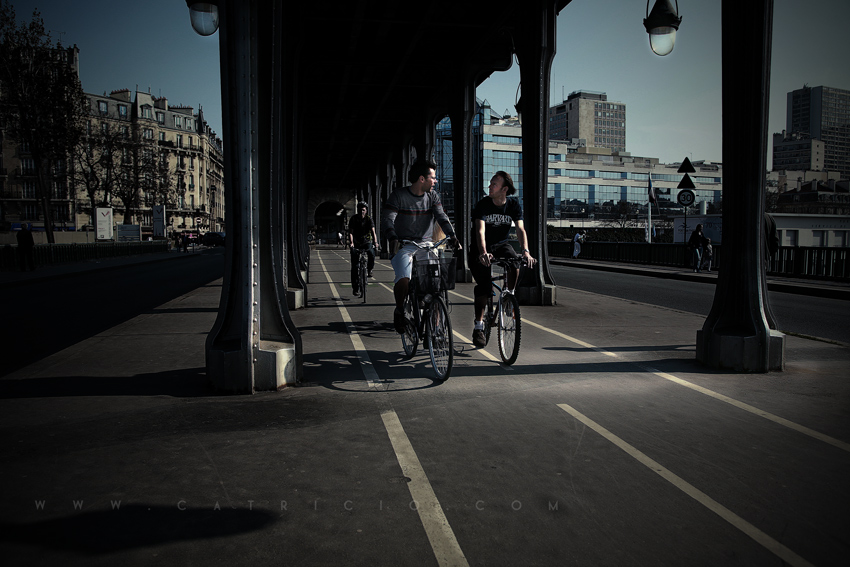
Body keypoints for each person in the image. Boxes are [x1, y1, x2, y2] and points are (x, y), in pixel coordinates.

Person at [381, 159, 460, 333]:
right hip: (405, 244)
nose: (436, 181)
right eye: (433, 177)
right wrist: (392, 237)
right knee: (404, 278)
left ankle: (436, 328)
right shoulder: (398, 196)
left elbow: (441, 217)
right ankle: (400, 310)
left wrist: (452, 236)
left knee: (437, 285)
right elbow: (388, 219)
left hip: (427, 245)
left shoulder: (432, 196)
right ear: (421, 179)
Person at [470, 171, 536, 348]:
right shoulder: (483, 204)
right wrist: (483, 252)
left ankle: (508, 297)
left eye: (494, 184)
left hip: (501, 244)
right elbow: (480, 231)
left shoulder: (513, 205)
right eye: (490, 183)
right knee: (484, 287)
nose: (490, 187)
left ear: (504, 189)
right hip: (480, 247)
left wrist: (526, 251)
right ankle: (478, 326)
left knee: (515, 262)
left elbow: (520, 229)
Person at [348, 202, 379, 296]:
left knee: (371, 253)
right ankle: (355, 288)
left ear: (366, 211)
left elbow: (373, 232)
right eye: (360, 209)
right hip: (356, 243)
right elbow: (351, 232)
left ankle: (369, 269)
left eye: (363, 210)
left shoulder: (369, 219)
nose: (362, 211)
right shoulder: (353, 219)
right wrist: (351, 243)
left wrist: (375, 242)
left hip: (367, 242)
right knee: (355, 266)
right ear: (357, 210)